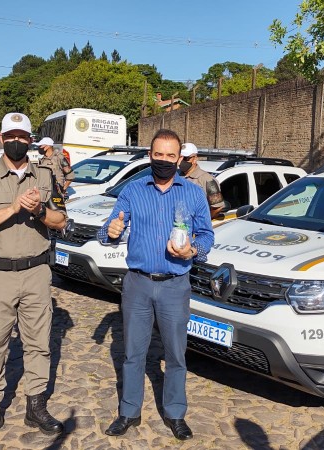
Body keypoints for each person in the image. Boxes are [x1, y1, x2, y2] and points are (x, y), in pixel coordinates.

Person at [98, 129, 214, 440]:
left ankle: (175, 413)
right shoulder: (133, 191)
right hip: (138, 284)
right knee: (134, 352)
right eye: (158, 155)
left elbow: (207, 235)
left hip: (176, 284)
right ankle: (128, 411)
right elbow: (108, 230)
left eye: (170, 156)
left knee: (176, 354)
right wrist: (111, 231)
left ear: (180, 158)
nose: (163, 161)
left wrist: (193, 251)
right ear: (150, 155)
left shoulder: (192, 193)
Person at [0, 112, 68, 445]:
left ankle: (36, 406)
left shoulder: (45, 176)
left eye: (24, 136)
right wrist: (12, 208)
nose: (18, 141)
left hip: (37, 272)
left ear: (31, 140)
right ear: (2, 138)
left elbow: (61, 219)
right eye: (12, 135)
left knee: (39, 345)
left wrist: (39, 211)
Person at [179, 142, 225, 218]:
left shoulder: (208, 180)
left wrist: (202, 221)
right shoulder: (175, 175)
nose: (181, 161)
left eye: (185, 158)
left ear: (195, 159)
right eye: (180, 157)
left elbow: (217, 207)